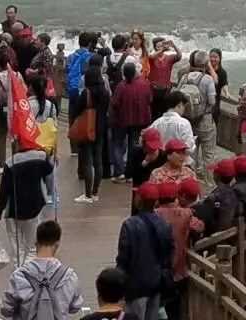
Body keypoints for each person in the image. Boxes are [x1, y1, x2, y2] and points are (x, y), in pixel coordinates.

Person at [0, 219, 84, 319]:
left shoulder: (19, 276)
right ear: (57, 244)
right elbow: (75, 307)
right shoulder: (70, 276)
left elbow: (6, 310)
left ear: (36, 242)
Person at [116, 180, 174, 320]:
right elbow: (168, 256)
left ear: (139, 199)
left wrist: (119, 286)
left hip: (135, 285)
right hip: (155, 284)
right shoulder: (164, 224)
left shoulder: (129, 225)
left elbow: (123, 259)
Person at [0, 140, 54, 267]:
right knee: (32, 248)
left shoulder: (10, 163)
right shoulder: (40, 157)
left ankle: (19, 276)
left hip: (13, 212)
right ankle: (29, 275)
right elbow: (49, 170)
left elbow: (3, 192)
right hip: (34, 209)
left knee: (17, 252)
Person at [155, 176, 204, 320]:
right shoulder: (185, 213)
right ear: (175, 196)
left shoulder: (153, 214)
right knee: (175, 310)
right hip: (178, 271)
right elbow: (200, 226)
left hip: (156, 271)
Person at [71, 56, 109, 203]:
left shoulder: (85, 93)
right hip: (100, 127)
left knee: (87, 161)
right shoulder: (105, 93)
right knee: (98, 160)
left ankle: (87, 194)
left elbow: (77, 111)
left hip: (87, 128)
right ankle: (95, 192)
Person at [110, 59, 153, 182]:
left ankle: (119, 173)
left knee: (117, 144)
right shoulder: (144, 85)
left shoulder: (121, 86)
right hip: (139, 120)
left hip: (121, 120)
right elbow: (150, 100)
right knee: (133, 145)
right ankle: (130, 173)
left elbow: (115, 103)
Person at [178, 51, 217, 174]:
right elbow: (212, 101)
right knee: (208, 154)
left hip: (188, 120)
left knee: (191, 152)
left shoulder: (185, 77)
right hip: (205, 120)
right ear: (206, 63)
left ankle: (191, 180)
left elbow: (178, 95)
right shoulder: (208, 79)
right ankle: (208, 181)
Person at [28, 74, 59, 204]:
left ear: (31, 87)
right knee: (50, 171)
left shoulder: (26, 105)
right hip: (47, 144)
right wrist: (56, 151)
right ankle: (52, 194)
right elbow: (54, 129)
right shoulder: (51, 105)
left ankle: (36, 194)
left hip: (31, 143)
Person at [194, 158, 241, 235]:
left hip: (214, 237)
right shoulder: (235, 192)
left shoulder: (213, 198)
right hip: (229, 233)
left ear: (216, 175)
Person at [150, 90, 196, 166]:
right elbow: (189, 149)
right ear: (180, 105)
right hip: (180, 164)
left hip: (160, 164)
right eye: (184, 106)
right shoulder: (183, 123)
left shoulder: (156, 123)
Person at [146, 38, 181, 120]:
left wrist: (174, 45)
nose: (161, 48)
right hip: (153, 90)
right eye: (158, 46)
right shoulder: (152, 58)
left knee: (164, 113)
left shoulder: (169, 58)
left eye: (162, 46)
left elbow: (179, 56)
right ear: (154, 47)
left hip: (165, 90)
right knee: (153, 113)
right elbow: (150, 58)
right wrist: (162, 50)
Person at [130, 127, 166, 192]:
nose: (153, 149)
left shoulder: (163, 155)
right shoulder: (136, 153)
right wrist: (145, 162)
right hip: (141, 188)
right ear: (144, 143)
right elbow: (130, 173)